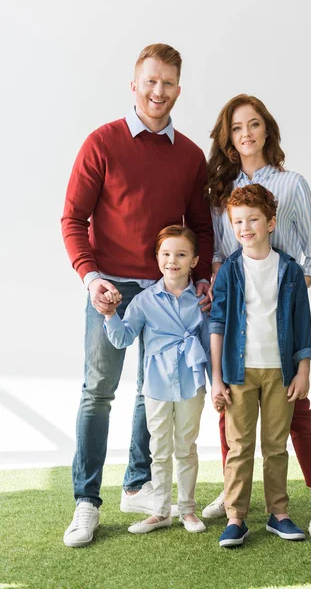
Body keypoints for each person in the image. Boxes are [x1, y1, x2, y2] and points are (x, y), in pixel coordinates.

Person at [61, 44, 213, 547]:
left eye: (168, 83)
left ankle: (137, 484)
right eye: (150, 80)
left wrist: (202, 276)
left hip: (165, 291)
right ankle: (86, 501)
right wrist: (90, 278)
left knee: (154, 393)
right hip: (108, 285)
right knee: (97, 392)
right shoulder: (102, 142)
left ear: (178, 90)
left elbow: (202, 228)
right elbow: (72, 220)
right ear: (134, 84)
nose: (158, 91)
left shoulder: (191, 155)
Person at [202, 94, 311, 538]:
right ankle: (234, 499)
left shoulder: (293, 184)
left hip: (280, 326)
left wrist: (283, 295)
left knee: (295, 415)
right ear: (228, 139)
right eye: (236, 129)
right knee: (232, 417)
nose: (246, 135)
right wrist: (239, 295)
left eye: (253, 125)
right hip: (238, 320)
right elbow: (222, 255)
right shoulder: (222, 191)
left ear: (267, 130)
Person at [211, 183, 311, 547]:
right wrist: (217, 379)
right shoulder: (229, 273)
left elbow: (302, 323)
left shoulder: (288, 270)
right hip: (238, 374)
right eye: (237, 221)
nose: (245, 228)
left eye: (252, 219)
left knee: (275, 445)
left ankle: (279, 514)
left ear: (271, 223)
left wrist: (304, 370)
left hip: (280, 372)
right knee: (238, 447)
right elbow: (218, 325)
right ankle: (236, 518)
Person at [104, 225, 209, 534]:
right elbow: (123, 338)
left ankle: (188, 509)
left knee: (186, 448)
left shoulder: (202, 300)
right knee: (159, 451)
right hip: (157, 384)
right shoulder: (144, 301)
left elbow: (209, 342)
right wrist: (111, 314)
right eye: (166, 254)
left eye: (181, 254)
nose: (172, 260)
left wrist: (219, 386)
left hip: (192, 380)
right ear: (157, 257)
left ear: (194, 260)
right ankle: (161, 511)